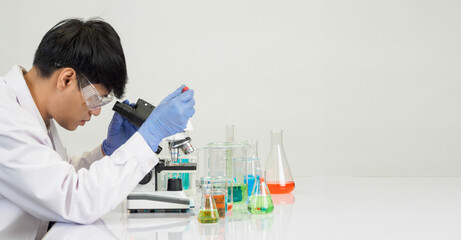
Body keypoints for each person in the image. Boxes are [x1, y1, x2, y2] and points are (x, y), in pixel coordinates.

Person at [0, 18, 195, 239]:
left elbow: (59, 176)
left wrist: (107, 151)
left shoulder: (29, 112)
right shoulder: (5, 118)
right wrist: (151, 133)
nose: (96, 112)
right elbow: (74, 200)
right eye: (95, 99)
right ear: (66, 79)